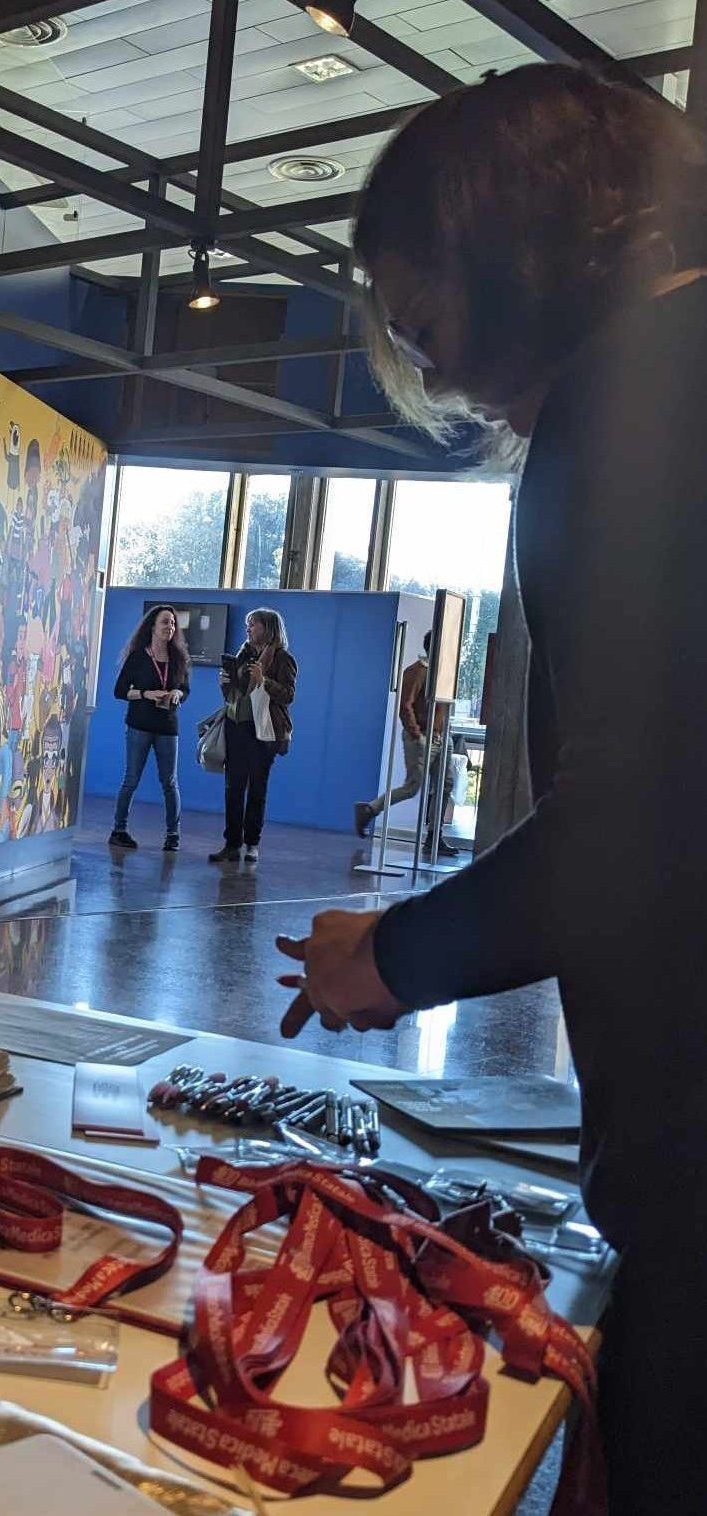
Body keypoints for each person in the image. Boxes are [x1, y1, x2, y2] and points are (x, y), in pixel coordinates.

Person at [271, 67, 707, 1514]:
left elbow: (644, 819)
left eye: (426, 321)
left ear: (518, 245)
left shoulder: (635, 411)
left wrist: (391, 957)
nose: (438, 375)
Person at [353, 631, 457, 854]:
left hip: (442, 736)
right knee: (412, 788)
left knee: (445, 785)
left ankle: (434, 837)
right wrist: (417, 735)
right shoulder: (417, 671)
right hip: (423, 737)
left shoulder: (442, 674)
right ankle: (370, 809)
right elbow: (405, 706)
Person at [211, 608, 295, 864]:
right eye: (248, 625)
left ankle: (252, 844)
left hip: (263, 730)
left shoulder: (283, 659)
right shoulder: (243, 654)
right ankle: (231, 844)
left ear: (267, 628)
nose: (247, 629)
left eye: (253, 624)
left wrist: (264, 681)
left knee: (257, 788)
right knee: (233, 788)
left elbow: (288, 695)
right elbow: (234, 695)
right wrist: (224, 683)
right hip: (236, 726)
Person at [108, 605, 189, 852]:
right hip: (139, 725)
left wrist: (177, 694)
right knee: (131, 779)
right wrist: (145, 694)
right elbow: (120, 691)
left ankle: (173, 835)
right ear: (152, 626)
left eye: (173, 623)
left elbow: (185, 689)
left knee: (170, 782)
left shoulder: (179, 658)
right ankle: (119, 830)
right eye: (165, 622)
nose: (170, 627)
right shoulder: (137, 657)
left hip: (167, 726)